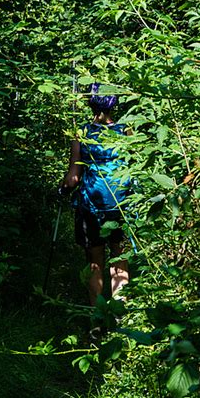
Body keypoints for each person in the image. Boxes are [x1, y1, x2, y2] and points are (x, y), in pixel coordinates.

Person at [62, 83, 132, 307]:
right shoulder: (125, 130)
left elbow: (73, 177)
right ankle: (122, 317)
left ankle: (97, 319)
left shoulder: (82, 133)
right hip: (121, 203)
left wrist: (63, 189)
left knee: (95, 261)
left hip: (92, 204)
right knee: (119, 258)